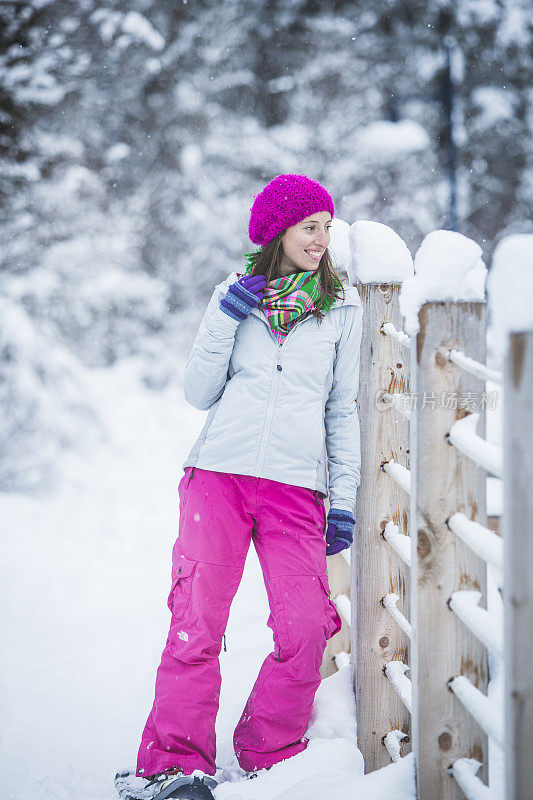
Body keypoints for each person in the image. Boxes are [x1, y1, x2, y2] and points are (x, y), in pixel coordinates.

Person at [115, 174, 363, 800]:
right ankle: (173, 765)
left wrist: (345, 498)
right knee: (196, 623)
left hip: (295, 489)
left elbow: (341, 410)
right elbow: (198, 392)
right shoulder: (233, 295)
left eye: (327, 228)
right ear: (278, 231)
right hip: (218, 479)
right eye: (311, 226)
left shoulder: (344, 308)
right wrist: (228, 317)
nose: (321, 239)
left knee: (308, 627)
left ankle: (269, 750)